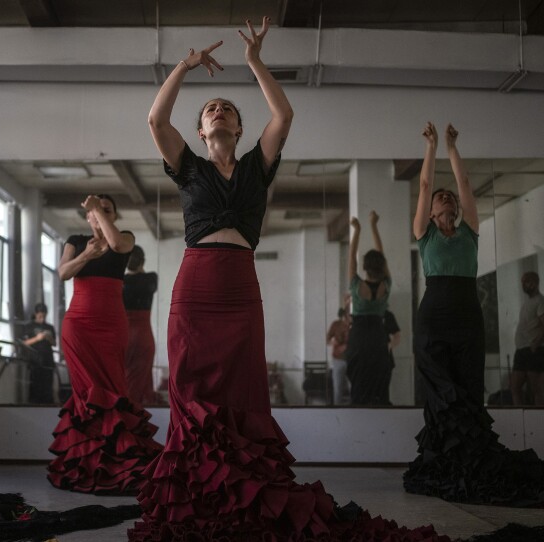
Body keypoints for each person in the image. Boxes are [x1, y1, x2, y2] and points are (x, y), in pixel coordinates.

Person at [132, 18, 446, 542]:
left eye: (227, 109)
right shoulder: (187, 167)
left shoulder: (258, 165)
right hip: (196, 288)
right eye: (210, 110)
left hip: (239, 288)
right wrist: (184, 66)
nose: (219, 111)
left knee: (243, 387)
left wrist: (255, 61)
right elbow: (155, 119)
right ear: (203, 132)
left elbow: (284, 113)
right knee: (190, 389)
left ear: (235, 128)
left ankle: (243, 484)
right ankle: (196, 488)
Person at [404, 122, 544, 508]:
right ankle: (442, 458)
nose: (444, 198)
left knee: (468, 386)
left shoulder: (470, 231)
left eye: (448, 197)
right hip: (433, 317)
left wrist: (454, 148)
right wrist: (432, 147)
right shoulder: (425, 235)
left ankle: (469, 458)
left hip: (467, 316)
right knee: (440, 389)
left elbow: (467, 186)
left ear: (455, 208)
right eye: (440, 197)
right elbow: (423, 186)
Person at [47, 194, 162, 494]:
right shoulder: (75, 239)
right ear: (87, 217)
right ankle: (87, 464)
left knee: (113, 390)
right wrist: (86, 255)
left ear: (113, 215)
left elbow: (118, 246)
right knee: (86, 393)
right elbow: (62, 273)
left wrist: (98, 209)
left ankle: (117, 464)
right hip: (79, 325)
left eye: (108, 211)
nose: (100, 215)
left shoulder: (125, 238)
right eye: (96, 211)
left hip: (112, 325)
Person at [345, 211, 391, 405]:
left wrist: (357, 230)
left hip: (359, 335)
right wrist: (374, 225)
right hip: (378, 334)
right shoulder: (386, 285)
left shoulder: (356, 286)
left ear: (365, 267)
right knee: (379, 381)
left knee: (359, 381)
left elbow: (351, 258)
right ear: (382, 266)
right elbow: (381, 254)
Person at [122, 245, 160, 407]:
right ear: (142, 261)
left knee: (126, 379)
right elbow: (144, 279)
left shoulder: (120, 281)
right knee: (142, 379)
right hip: (143, 336)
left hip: (124, 335)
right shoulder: (151, 278)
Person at [510, 271, 544, 406]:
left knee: (536, 388)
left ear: (534, 282)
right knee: (515, 387)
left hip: (535, 349)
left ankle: (541, 420)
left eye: (526, 281)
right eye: (522, 282)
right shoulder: (527, 303)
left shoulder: (542, 301)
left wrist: (536, 344)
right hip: (522, 349)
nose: (523, 285)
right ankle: (520, 416)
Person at [23, 302, 57, 404]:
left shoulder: (49, 327)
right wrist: (37, 338)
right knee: (35, 388)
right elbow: (24, 343)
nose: (42, 318)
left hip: (48, 362)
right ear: (36, 314)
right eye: (40, 315)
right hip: (35, 362)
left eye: (44, 316)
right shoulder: (30, 326)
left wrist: (49, 338)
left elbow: (54, 343)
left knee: (47, 389)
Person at [326, 306, 350, 404]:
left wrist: (346, 346)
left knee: (353, 387)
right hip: (338, 360)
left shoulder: (356, 325)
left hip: (352, 360)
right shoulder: (336, 324)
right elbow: (327, 339)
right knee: (338, 387)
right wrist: (333, 341)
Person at [382, 309, 401, 405]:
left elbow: (397, 336)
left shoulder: (387, 315)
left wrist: (388, 346)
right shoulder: (362, 314)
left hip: (384, 360)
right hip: (366, 361)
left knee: (383, 392)